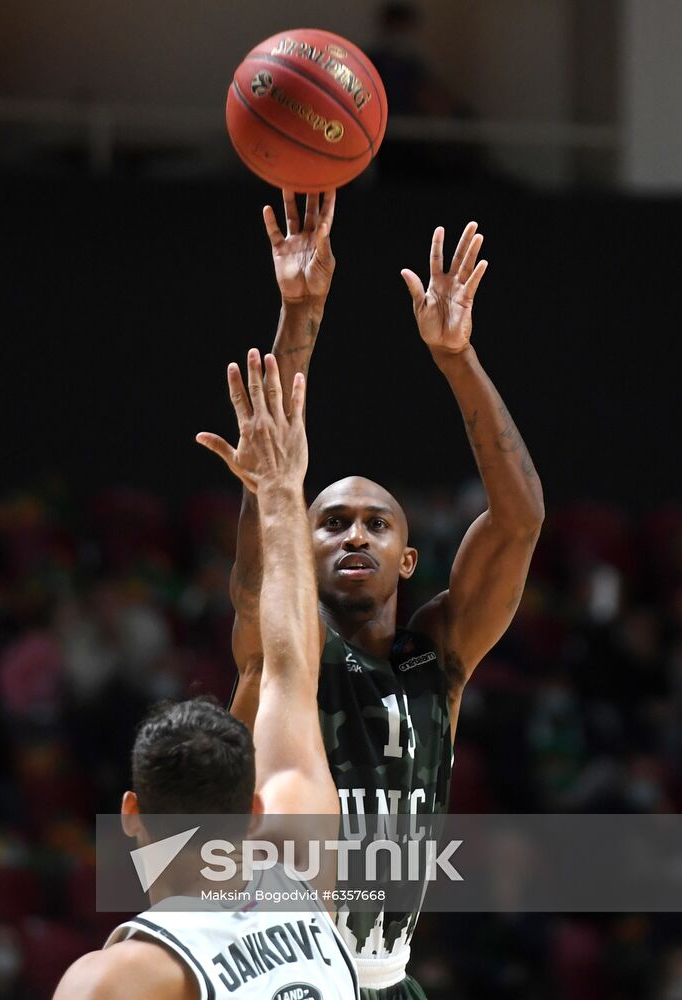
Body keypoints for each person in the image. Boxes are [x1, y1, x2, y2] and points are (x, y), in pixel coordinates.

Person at [225, 192, 545, 997]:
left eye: (375, 524)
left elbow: (518, 521)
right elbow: (268, 507)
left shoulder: (434, 656)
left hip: (387, 980)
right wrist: (300, 312)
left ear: (407, 559)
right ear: (301, 547)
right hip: (284, 972)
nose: (354, 536)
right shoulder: (283, 651)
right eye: (331, 523)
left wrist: (456, 358)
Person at [53, 353, 358, 1000]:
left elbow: (284, 669)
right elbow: (289, 669)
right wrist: (282, 489)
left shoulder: (114, 980)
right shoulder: (305, 873)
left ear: (131, 814)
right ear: (255, 812)